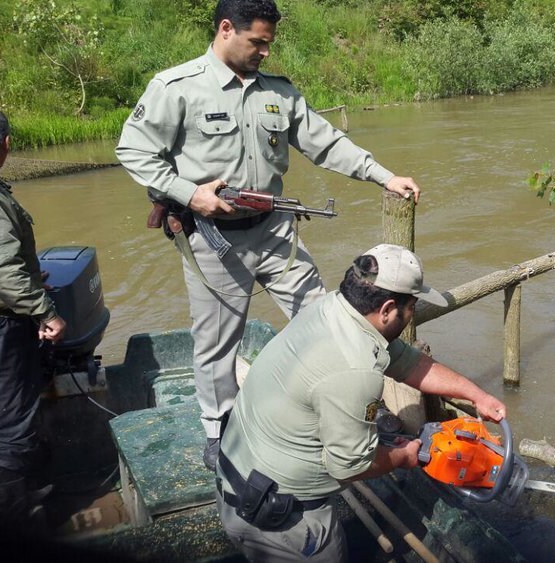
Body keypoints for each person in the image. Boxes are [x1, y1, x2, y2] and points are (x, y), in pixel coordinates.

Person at [115, 0, 422, 470]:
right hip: (211, 237)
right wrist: (190, 194)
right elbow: (134, 151)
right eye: (257, 41)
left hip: (276, 231)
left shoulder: (278, 93)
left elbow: (326, 143)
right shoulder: (176, 88)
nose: (264, 52)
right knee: (218, 342)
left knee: (328, 318)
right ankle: (221, 432)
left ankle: (359, 410)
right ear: (225, 29)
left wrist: (383, 175)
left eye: (269, 43)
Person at [216, 244, 506, 561]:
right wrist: (406, 456)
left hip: (241, 468)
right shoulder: (354, 369)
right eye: (411, 306)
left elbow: (412, 365)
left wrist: (477, 395)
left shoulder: (336, 309)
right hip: (279, 514)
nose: (411, 315)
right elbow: (350, 465)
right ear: (387, 309)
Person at [0, 109, 67, 528]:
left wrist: (30, 280)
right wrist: (44, 310)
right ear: (5, 145)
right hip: (0, 330)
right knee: (8, 421)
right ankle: (11, 518)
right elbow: (1, 272)